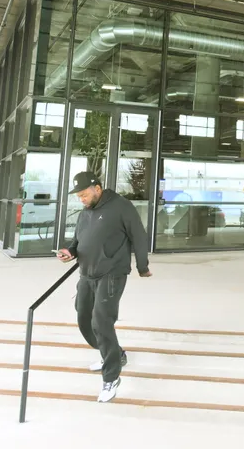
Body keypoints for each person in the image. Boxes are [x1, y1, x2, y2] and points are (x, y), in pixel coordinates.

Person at [57, 171, 152, 403]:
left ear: (97, 188)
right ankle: (113, 354)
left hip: (112, 273)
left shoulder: (121, 206)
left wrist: (142, 266)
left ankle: (111, 377)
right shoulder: (85, 213)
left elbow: (138, 235)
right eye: (78, 196)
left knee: (101, 321)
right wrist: (70, 251)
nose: (81, 199)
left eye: (84, 194)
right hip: (87, 273)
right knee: (83, 318)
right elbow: (78, 241)